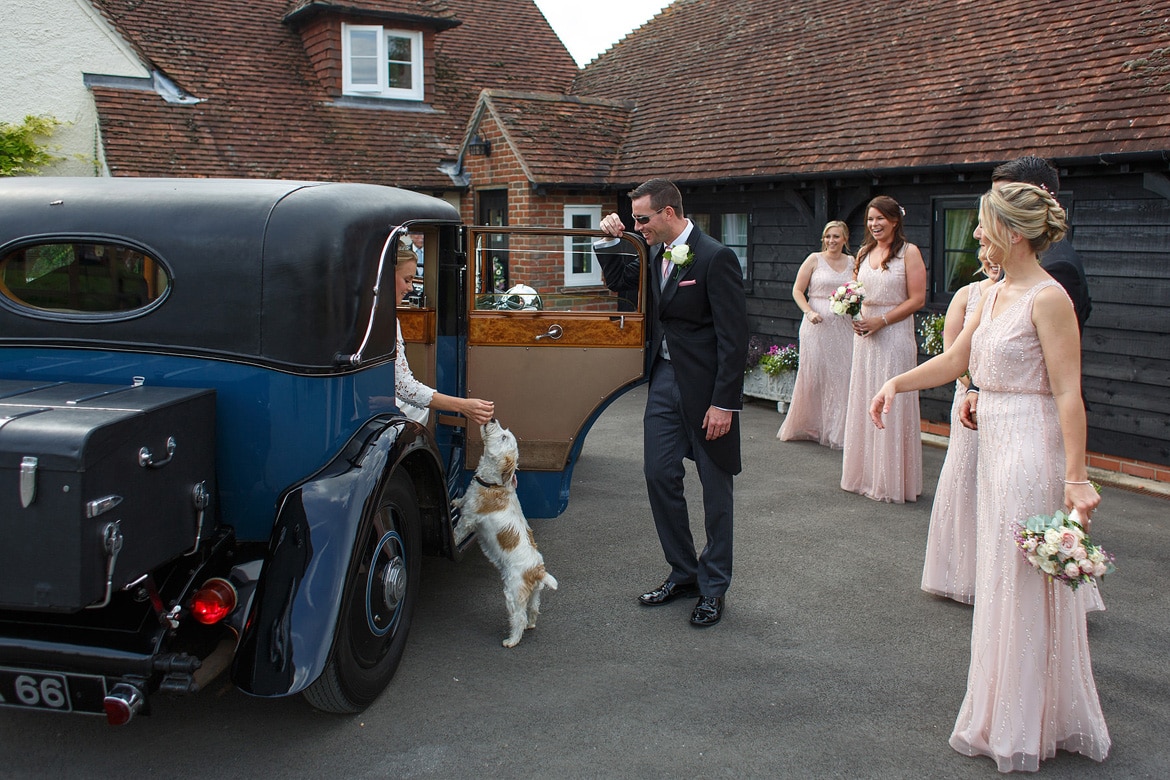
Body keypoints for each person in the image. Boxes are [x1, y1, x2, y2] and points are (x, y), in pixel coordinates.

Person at [870, 183, 1109, 772]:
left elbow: (1067, 393)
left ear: (1015, 233)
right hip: (993, 438)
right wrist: (896, 383)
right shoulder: (992, 293)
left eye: (982, 225)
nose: (975, 235)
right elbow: (957, 361)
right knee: (999, 580)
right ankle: (1004, 710)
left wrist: (1076, 479)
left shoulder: (1048, 298)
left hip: (1031, 446)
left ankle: (1027, 722)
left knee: (1022, 582)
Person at [595, 179, 748, 627]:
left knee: (715, 489)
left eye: (642, 219)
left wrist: (724, 403)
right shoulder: (650, 249)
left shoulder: (716, 257)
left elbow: (733, 339)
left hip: (707, 392)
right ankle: (684, 573)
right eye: (634, 219)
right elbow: (625, 288)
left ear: (668, 213)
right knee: (659, 474)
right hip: (663, 382)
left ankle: (714, 587)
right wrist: (611, 240)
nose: (637, 225)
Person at [961, 156, 1092, 426]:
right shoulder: (1013, 258)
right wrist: (975, 387)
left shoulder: (1057, 269)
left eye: (1002, 199)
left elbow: (1043, 363)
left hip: (1030, 420)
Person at [919, 251, 999, 604]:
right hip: (967, 397)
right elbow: (952, 351)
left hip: (1005, 401)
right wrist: (971, 387)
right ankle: (963, 572)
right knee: (966, 476)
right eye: (983, 248)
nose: (990, 256)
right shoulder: (967, 294)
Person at [839, 196, 926, 502]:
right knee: (865, 394)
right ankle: (864, 474)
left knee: (891, 401)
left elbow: (917, 299)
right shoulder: (863, 253)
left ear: (895, 220)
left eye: (881, 219)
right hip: (865, 337)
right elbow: (854, 292)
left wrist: (882, 320)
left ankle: (891, 480)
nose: (875, 225)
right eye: (870, 219)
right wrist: (852, 311)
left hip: (894, 336)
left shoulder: (909, 253)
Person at [392, 247, 494, 426]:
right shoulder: (387, 320)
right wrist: (463, 406)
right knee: (418, 408)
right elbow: (404, 387)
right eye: (407, 280)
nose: (410, 288)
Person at [778, 221, 855, 448]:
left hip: (843, 327)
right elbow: (797, 290)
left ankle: (838, 430)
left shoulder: (853, 262)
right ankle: (810, 425)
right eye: (828, 236)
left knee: (842, 375)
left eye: (836, 237)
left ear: (845, 239)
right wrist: (809, 312)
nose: (831, 241)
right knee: (814, 374)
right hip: (816, 325)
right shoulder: (814, 259)